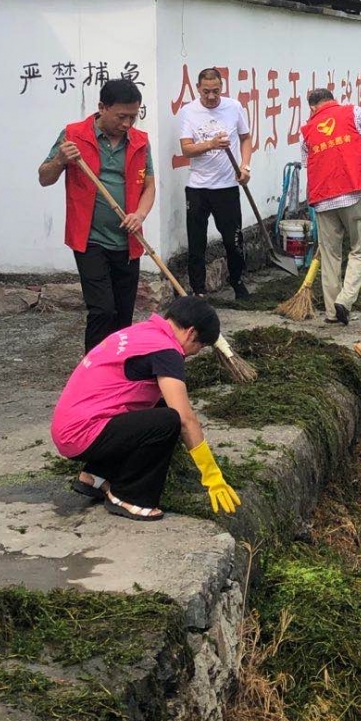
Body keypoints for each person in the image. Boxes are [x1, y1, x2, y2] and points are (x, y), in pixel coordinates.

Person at [50, 295, 240, 522]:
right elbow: (185, 419)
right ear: (190, 333)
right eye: (200, 345)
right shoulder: (167, 351)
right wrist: (212, 476)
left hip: (71, 425)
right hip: (82, 434)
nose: (195, 352)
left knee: (158, 405)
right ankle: (128, 495)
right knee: (168, 421)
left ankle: (96, 474)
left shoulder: (144, 332)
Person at [39, 78, 155, 353]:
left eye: (133, 117)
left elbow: (148, 185)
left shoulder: (140, 141)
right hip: (89, 239)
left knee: (123, 315)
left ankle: (119, 368)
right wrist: (60, 161)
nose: (127, 124)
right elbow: (44, 178)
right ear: (102, 107)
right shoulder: (73, 135)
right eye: (121, 116)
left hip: (128, 240)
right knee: (102, 309)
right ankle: (92, 370)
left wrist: (139, 214)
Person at [300, 87, 361, 325]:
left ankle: (331, 313)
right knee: (360, 249)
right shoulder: (353, 113)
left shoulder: (306, 132)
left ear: (312, 107)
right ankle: (345, 300)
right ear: (333, 100)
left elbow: (308, 165)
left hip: (323, 200)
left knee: (330, 256)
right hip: (354, 193)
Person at [178, 67, 253, 300]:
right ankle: (198, 290)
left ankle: (237, 281)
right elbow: (186, 149)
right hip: (198, 188)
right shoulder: (188, 112)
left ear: (222, 87)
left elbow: (245, 138)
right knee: (196, 242)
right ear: (198, 89)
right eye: (206, 92)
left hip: (227, 187)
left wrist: (245, 166)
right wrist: (210, 144)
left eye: (216, 91)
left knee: (234, 240)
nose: (211, 96)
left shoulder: (233, 107)